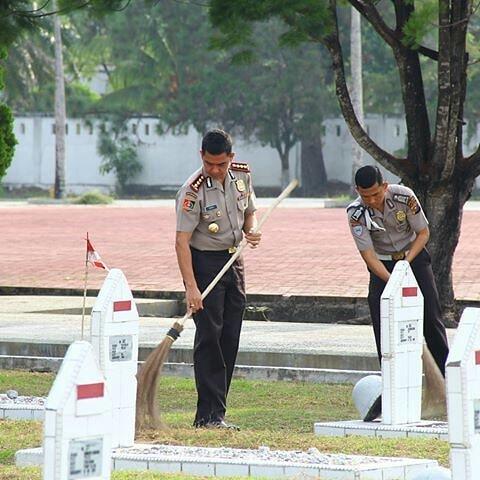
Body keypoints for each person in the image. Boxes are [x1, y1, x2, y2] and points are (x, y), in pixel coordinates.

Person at [175, 129, 261, 430]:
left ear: (231, 158)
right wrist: (191, 288)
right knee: (209, 337)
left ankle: (218, 412)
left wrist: (252, 231)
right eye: (209, 163)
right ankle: (207, 415)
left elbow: (250, 212)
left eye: (220, 164)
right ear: (201, 156)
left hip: (233, 262)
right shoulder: (192, 191)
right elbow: (181, 242)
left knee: (230, 336)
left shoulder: (242, 176)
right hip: (205, 264)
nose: (215, 170)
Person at [346, 165, 449, 377]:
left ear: (384, 186)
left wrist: (405, 265)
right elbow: (368, 256)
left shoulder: (404, 197)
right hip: (382, 267)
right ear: (357, 190)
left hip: (413, 258)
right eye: (366, 196)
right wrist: (393, 280)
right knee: (383, 321)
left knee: (430, 316)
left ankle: (445, 378)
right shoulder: (355, 213)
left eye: (376, 194)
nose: (372, 200)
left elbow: (423, 233)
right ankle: (392, 379)